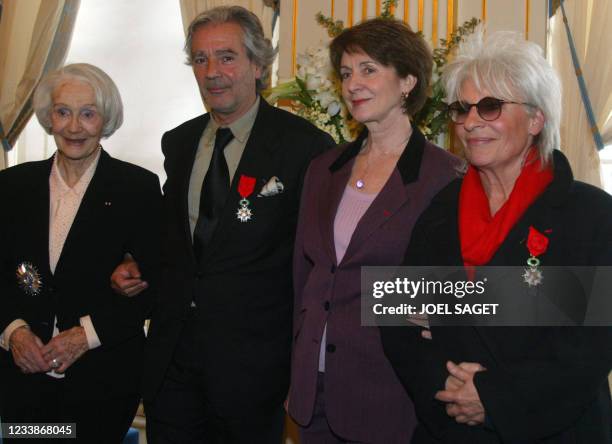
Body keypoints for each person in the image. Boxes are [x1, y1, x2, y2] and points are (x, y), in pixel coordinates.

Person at [110, 6, 334, 443]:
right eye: (200, 59)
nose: (212, 72)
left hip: (254, 371)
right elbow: (177, 242)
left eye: (227, 57)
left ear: (257, 64)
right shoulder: (178, 143)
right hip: (172, 363)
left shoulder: (305, 148)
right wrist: (134, 260)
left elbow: (314, 263)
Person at [381, 30, 612, 443]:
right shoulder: (439, 209)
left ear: (537, 119)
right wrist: (450, 395)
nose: (470, 123)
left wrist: (492, 396)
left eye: (490, 107)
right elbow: (396, 317)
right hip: (448, 427)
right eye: (461, 108)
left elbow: (589, 349)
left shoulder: (592, 214)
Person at [288, 18, 462, 443]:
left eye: (368, 69)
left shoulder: (445, 175)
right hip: (313, 390)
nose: (352, 85)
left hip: (387, 390)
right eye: (346, 74)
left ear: (407, 80)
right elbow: (304, 275)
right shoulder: (324, 168)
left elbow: (456, 287)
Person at [0, 63, 161, 443]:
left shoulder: (136, 189)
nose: (74, 127)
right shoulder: (11, 186)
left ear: (106, 120)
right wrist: (13, 331)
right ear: (48, 118)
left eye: (88, 113)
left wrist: (83, 336)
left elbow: (153, 285)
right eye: (63, 112)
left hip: (102, 382)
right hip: (22, 381)